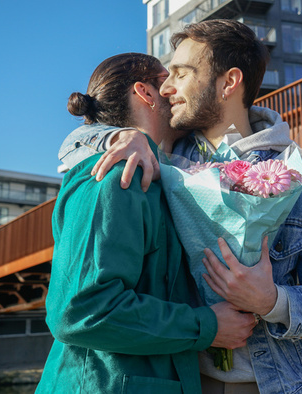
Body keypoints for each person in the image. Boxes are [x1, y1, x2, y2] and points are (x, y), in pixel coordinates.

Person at [60, 21, 302, 394]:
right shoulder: (161, 157)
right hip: (180, 379)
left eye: (181, 74)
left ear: (228, 82)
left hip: (270, 383)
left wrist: (272, 301)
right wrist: (124, 134)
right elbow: (80, 135)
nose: (167, 88)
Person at [38, 53, 257, 394]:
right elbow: (80, 311)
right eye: (168, 80)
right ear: (146, 93)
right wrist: (208, 326)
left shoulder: (155, 173)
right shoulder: (115, 177)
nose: (177, 89)